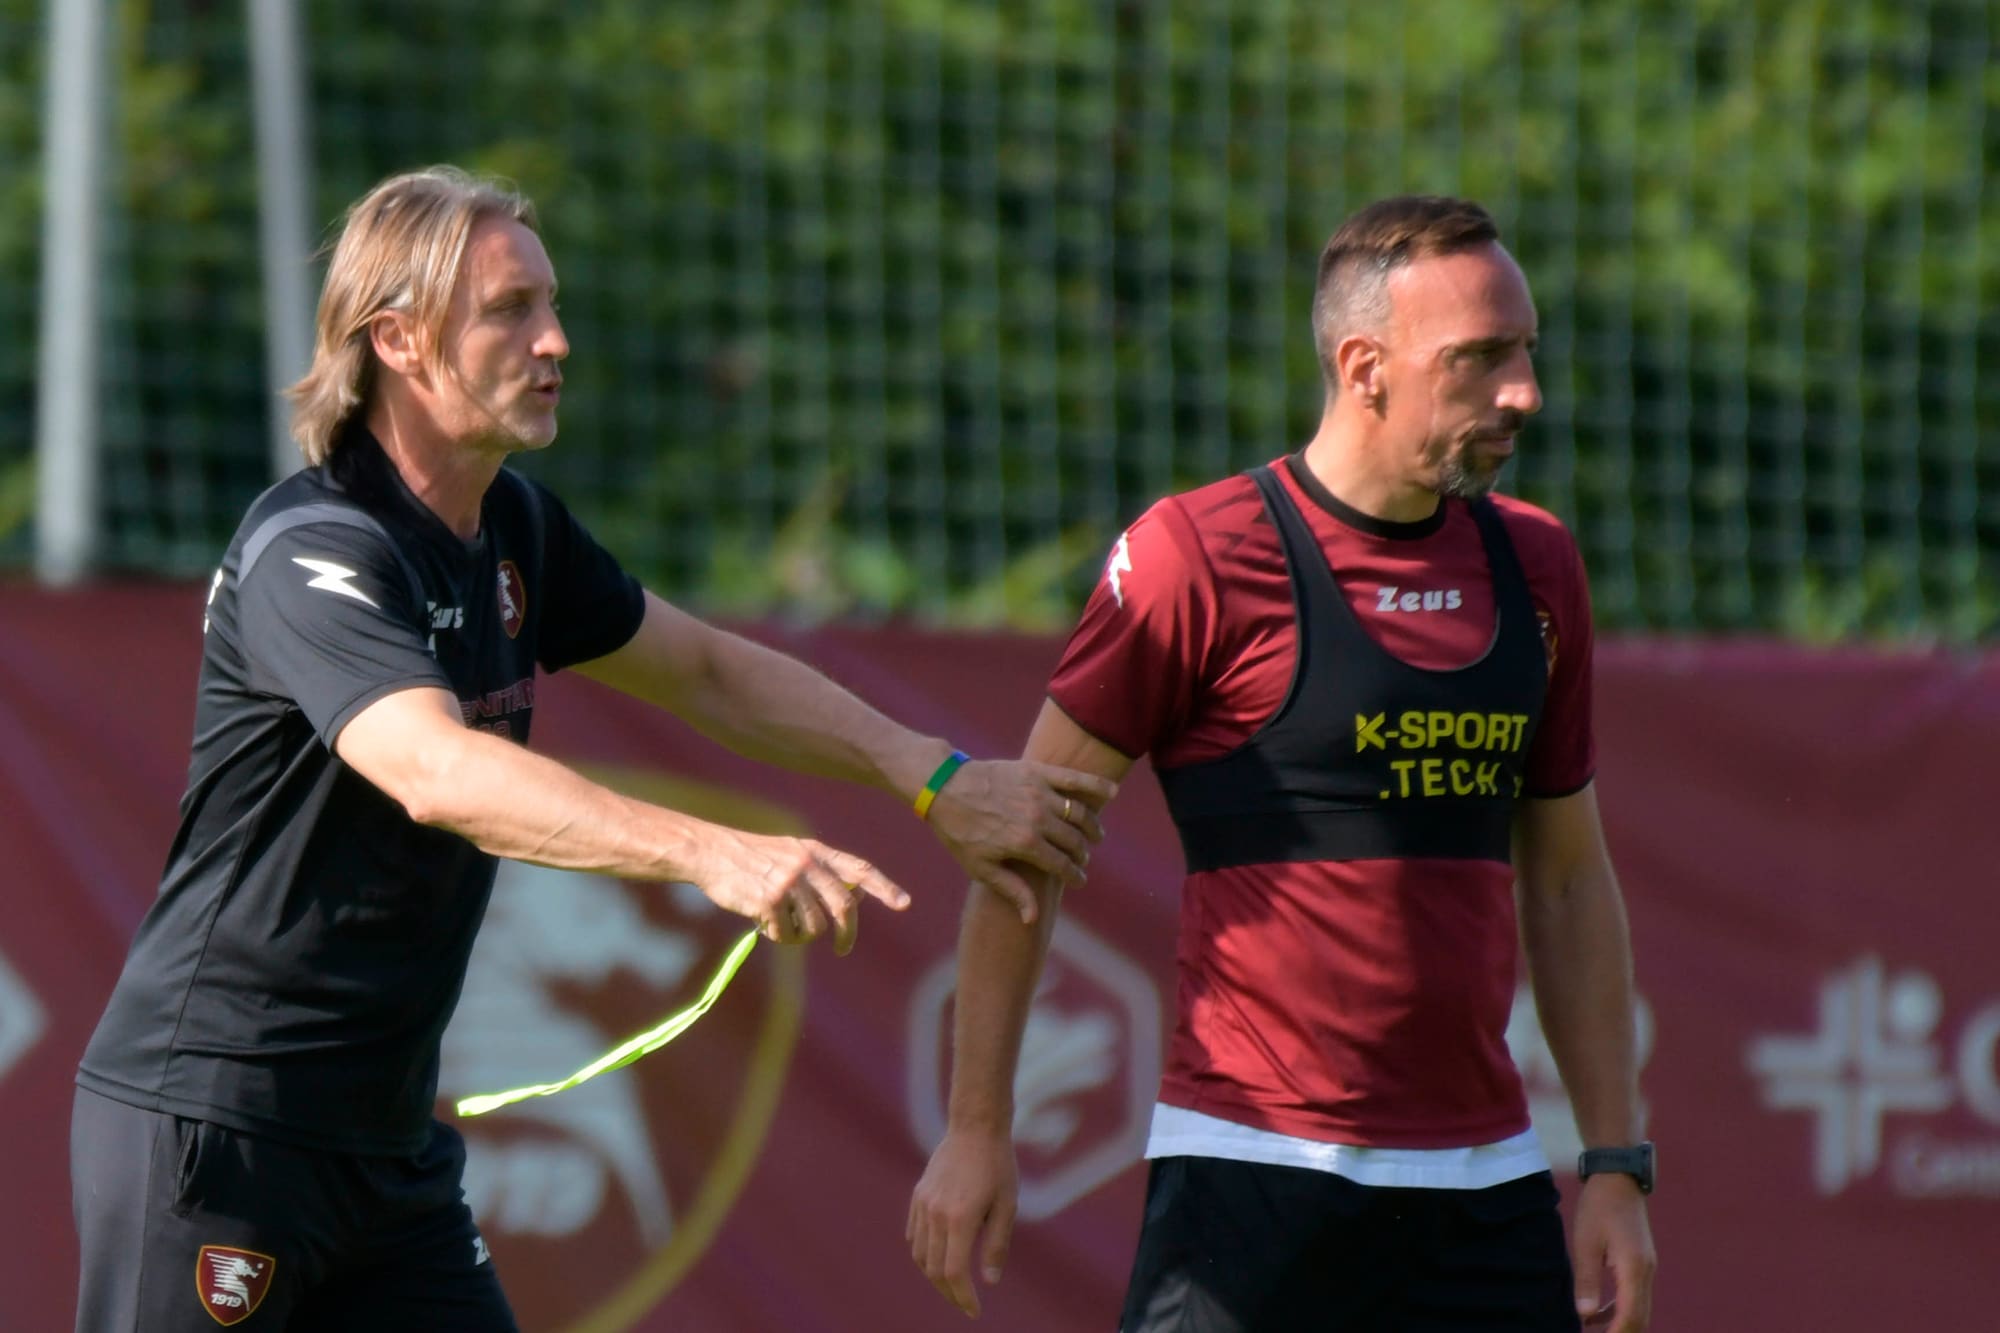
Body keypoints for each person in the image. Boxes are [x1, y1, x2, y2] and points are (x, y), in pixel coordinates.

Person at [70, 165, 1113, 1333]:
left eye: (552, 303)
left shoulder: (514, 527)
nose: (555, 339)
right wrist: (713, 851)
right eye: (510, 310)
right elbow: (436, 772)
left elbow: (707, 671)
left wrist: (932, 774)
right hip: (220, 1126)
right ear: (399, 341)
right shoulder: (314, 548)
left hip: (388, 1152)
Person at [908, 196, 1656, 1332]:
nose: (1523, 393)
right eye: (1480, 358)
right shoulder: (1194, 557)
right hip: (1249, 1176)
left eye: (1526, 351)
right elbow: (1024, 846)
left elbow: (1565, 880)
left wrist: (1613, 1164)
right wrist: (975, 1128)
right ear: (1364, 367)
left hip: (1485, 1192)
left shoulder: (1537, 565)